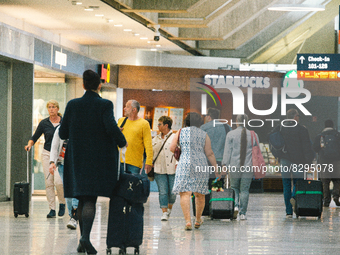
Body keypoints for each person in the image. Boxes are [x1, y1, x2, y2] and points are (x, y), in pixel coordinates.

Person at [59, 70, 127, 254]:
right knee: (90, 198)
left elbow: (62, 133)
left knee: (81, 197)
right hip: (98, 159)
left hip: (76, 158)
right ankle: (85, 238)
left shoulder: (72, 105)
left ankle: (83, 241)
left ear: (83, 85)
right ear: (99, 85)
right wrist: (123, 142)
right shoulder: (105, 105)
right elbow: (111, 127)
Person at [170, 112, 219, 230]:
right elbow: (209, 153)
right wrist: (216, 168)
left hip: (185, 162)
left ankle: (188, 221)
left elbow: (172, 148)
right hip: (200, 163)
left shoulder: (180, 132)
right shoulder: (204, 134)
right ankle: (197, 220)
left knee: (185, 193)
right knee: (199, 193)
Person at [25, 99, 65, 218]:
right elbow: (35, 136)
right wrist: (29, 145)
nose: (51, 109)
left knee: (59, 182)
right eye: (49, 107)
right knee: (49, 182)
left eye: (53, 107)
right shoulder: (44, 123)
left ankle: (62, 203)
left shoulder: (63, 122)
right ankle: (52, 208)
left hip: (60, 155)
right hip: (47, 154)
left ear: (58, 109)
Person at [271, 108, 314, 218]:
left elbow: (271, 138)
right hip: (298, 160)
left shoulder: (280, 127)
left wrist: (277, 154)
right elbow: (306, 147)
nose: (299, 117)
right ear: (294, 117)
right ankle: (294, 197)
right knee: (297, 183)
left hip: (284, 160)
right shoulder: (301, 129)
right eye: (298, 115)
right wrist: (308, 161)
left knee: (286, 185)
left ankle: (288, 212)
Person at [222, 114, 259, 220]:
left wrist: (225, 165)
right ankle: (243, 213)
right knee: (245, 190)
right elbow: (257, 152)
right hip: (248, 166)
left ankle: (235, 207)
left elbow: (227, 152)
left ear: (237, 121)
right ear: (246, 122)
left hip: (234, 165)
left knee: (234, 187)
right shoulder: (253, 135)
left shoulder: (231, 134)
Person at [49, 126, 79, 229]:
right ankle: (72, 214)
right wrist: (52, 162)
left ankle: (75, 215)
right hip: (62, 163)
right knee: (68, 189)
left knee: (76, 188)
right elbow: (54, 145)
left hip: (77, 163)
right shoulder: (60, 129)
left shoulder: (81, 126)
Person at [118, 100, 153, 175]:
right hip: (119, 161)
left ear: (134, 110)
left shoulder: (144, 124)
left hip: (134, 163)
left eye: (127, 106)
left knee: (132, 186)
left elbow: (148, 144)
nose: (124, 108)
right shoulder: (121, 121)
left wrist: (149, 161)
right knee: (119, 185)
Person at [152, 116, 177, 221]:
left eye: (160, 124)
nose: (158, 126)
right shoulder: (155, 138)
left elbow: (179, 152)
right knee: (162, 191)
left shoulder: (175, 137)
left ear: (166, 125)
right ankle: (164, 212)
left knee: (172, 192)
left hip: (172, 168)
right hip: (159, 168)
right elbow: (151, 152)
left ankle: (169, 208)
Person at [312, 119, 340, 207]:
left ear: (324, 126)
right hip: (336, 161)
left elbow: (315, 148)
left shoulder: (319, 136)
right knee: (337, 180)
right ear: (332, 125)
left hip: (324, 161)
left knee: (325, 181)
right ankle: (336, 196)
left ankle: (326, 200)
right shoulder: (338, 135)